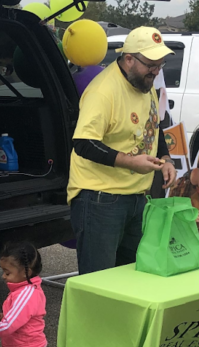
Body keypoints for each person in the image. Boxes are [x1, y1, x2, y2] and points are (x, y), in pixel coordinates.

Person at [69, 26, 178, 275]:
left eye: (160, 64)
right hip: (100, 198)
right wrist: (131, 162)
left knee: (131, 279)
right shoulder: (102, 91)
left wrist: (166, 157)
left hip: (137, 197)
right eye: (151, 64)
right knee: (101, 282)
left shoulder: (144, 82)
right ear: (129, 59)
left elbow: (155, 124)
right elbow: (83, 143)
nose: (156, 71)